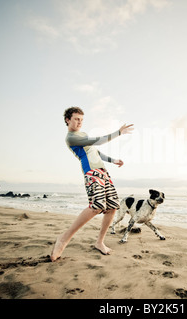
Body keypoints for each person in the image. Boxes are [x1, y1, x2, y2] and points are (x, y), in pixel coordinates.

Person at [50, 106, 134, 261]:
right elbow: (98, 141)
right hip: (91, 172)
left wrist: (113, 160)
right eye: (76, 119)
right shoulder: (71, 137)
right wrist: (118, 132)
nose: (79, 122)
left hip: (102, 171)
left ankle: (100, 242)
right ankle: (63, 239)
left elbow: (95, 151)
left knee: (112, 206)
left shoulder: (83, 134)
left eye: (81, 119)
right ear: (68, 120)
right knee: (96, 206)